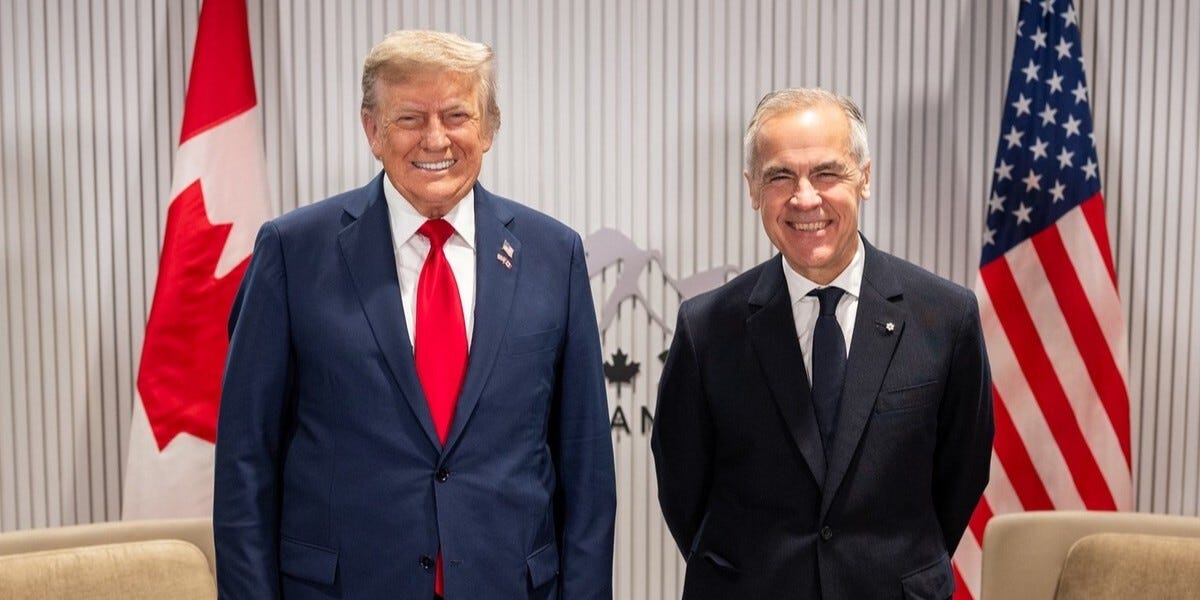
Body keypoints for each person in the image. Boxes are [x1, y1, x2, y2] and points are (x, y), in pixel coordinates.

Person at [214, 30, 616, 599]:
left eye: (456, 115)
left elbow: (587, 471)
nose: (435, 138)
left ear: (488, 128)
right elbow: (244, 465)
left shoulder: (555, 255)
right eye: (409, 118)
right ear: (372, 131)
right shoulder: (292, 253)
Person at [651, 88, 993, 599]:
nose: (804, 198)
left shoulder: (946, 317)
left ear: (865, 178)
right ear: (753, 189)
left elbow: (960, 475)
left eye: (827, 173)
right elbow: (683, 487)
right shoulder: (706, 329)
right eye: (780, 177)